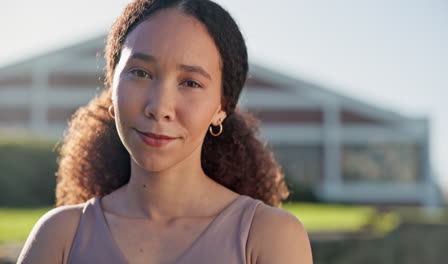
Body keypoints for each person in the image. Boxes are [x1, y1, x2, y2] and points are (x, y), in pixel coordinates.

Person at [17, 0, 313, 263]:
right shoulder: (60, 236)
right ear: (112, 86)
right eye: (141, 73)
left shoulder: (268, 237)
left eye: (191, 82)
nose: (159, 107)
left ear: (221, 107)